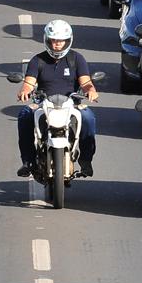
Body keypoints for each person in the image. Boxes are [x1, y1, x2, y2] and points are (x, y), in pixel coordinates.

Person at [16, 20, 99, 177]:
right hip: (43, 102)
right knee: (25, 114)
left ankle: (86, 160)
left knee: (88, 117)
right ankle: (27, 161)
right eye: (53, 40)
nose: (57, 44)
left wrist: (91, 91)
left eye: (61, 41)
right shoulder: (37, 60)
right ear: (47, 40)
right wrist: (25, 91)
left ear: (68, 40)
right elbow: (29, 83)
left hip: (71, 104)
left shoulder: (77, 59)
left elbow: (86, 82)